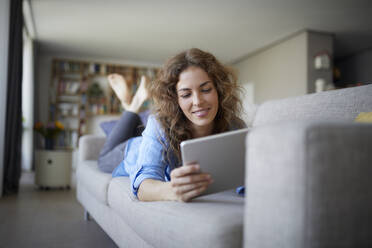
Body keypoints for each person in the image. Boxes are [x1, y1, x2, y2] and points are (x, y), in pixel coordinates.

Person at [98, 48, 245, 202]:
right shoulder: (159, 123)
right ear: (176, 99)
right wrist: (171, 190)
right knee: (102, 160)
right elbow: (143, 186)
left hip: (150, 136)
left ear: (219, 90)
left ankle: (131, 104)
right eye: (186, 94)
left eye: (206, 89)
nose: (198, 101)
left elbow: (245, 176)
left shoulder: (233, 125)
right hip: (130, 150)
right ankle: (132, 106)